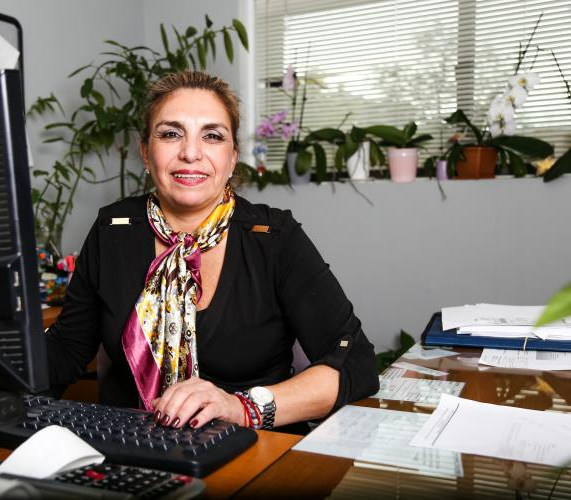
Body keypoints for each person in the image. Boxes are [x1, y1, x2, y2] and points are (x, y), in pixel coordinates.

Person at [45, 71, 378, 434]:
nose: (190, 153)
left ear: (233, 157)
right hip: (133, 446)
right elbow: (65, 350)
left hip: (252, 450)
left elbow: (354, 364)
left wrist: (240, 407)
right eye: (171, 133)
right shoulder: (113, 230)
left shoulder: (274, 236)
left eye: (213, 136)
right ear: (145, 151)